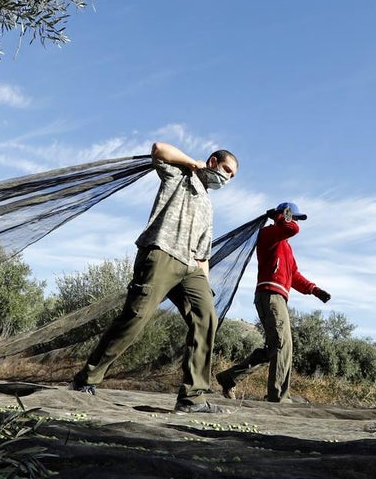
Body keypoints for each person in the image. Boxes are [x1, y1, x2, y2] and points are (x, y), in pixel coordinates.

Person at [70, 141, 238, 413]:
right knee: (135, 316)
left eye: (232, 176)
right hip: (161, 252)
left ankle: (192, 398)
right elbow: (159, 148)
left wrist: (204, 283)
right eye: (227, 170)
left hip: (191, 267)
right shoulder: (179, 174)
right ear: (212, 162)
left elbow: (203, 253)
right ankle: (85, 380)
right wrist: (191, 164)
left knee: (207, 317)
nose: (227, 178)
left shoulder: (209, 204)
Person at [216, 202, 331, 403]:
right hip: (270, 295)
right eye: (292, 216)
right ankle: (278, 397)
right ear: (283, 216)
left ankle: (230, 377)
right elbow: (292, 228)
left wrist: (314, 289)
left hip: (277, 297)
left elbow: (293, 275)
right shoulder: (268, 235)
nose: (294, 221)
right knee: (282, 345)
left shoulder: (285, 245)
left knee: (274, 348)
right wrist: (281, 218)